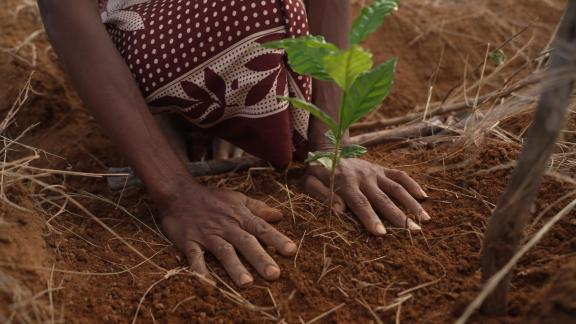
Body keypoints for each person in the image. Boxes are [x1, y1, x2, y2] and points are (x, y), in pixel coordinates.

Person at [37, 0, 431, 287]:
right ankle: (161, 114)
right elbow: (64, 7)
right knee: (258, 10)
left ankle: (225, 121)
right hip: (131, 20)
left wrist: (332, 143)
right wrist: (175, 191)